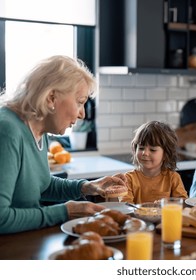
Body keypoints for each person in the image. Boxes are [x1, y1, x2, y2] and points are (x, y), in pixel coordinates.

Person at [0, 55, 127, 234]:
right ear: (51, 98)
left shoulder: (38, 130)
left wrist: (85, 187)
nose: (82, 114)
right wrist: (65, 211)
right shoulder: (7, 130)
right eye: (80, 102)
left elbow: (40, 186)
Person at [121, 121, 188, 204]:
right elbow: (126, 206)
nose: (144, 153)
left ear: (165, 154)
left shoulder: (173, 178)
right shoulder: (128, 179)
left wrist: (168, 203)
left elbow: (183, 203)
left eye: (152, 150)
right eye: (141, 148)